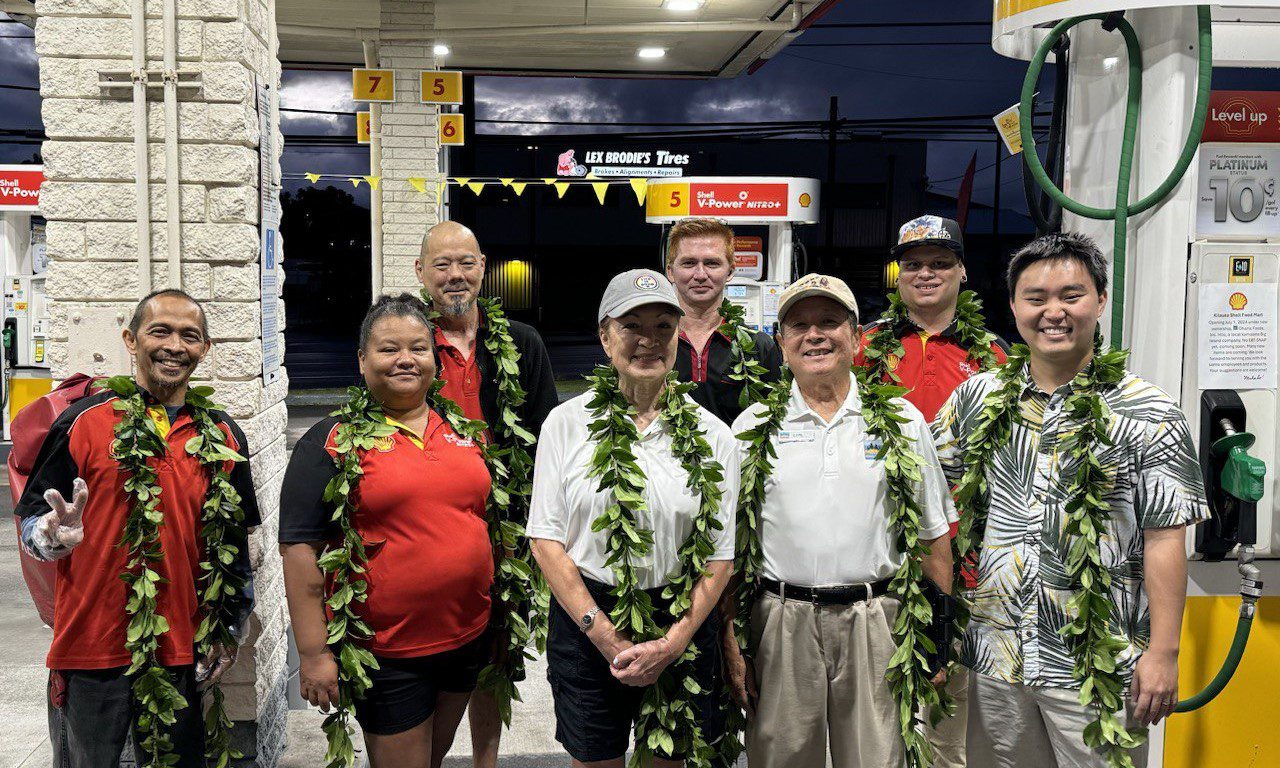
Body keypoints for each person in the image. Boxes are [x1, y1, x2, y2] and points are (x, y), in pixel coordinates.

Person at [933, 233, 1209, 768]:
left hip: (1097, 664)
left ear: (1100, 301)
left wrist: (1164, 654)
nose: (1053, 312)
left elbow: (1165, 538)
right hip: (997, 657)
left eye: (1071, 295)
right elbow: (927, 497)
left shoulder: (1148, 412)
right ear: (1013, 306)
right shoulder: (977, 398)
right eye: (1035, 298)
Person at [15, 289, 259, 768]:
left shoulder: (224, 436)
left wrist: (228, 626)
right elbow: (31, 522)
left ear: (204, 349)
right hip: (89, 644)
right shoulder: (83, 421)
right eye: (160, 331)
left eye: (190, 336)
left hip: (180, 647)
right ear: (130, 339)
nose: (175, 345)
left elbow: (234, 548)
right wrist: (48, 537)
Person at [725, 273, 957, 768]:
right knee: (780, 759)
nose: (815, 335)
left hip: (876, 622)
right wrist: (731, 639)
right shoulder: (751, 428)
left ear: (855, 337)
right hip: (781, 621)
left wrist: (937, 638)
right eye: (799, 325)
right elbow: (729, 547)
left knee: (876, 759)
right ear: (781, 341)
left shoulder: (898, 421)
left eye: (829, 322)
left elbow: (934, 536)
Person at [528, 269, 739, 767]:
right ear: (605, 336)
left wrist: (674, 641)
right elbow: (545, 539)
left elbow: (720, 553)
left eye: (664, 326)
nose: (649, 341)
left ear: (678, 338)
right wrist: (604, 635)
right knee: (595, 757)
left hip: (680, 615)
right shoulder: (566, 424)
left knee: (667, 761)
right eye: (632, 326)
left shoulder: (714, 436)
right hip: (587, 616)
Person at [279, 294, 495, 768]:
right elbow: (300, 553)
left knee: (432, 759)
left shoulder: (459, 429)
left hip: (465, 636)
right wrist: (314, 654)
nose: (405, 359)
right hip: (387, 650)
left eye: (418, 348)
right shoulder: (329, 442)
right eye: (388, 348)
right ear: (362, 359)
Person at [857, 215, 1009, 767]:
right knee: (874, 712)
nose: (926, 273)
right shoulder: (863, 347)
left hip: (960, 557)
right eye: (913, 263)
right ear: (896, 273)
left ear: (962, 272)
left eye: (940, 262)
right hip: (873, 552)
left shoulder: (995, 358)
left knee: (946, 710)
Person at [415, 220, 560, 767]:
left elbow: (546, 437)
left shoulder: (522, 343)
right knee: (432, 655)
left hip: (505, 531)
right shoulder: (407, 339)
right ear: (421, 272)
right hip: (428, 525)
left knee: (497, 655)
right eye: (443, 264)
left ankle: (486, 762)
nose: (456, 276)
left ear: (482, 268)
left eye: (466, 263)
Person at [666, 218, 783, 426]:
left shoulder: (760, 347)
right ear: (670, 271)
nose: (700, 274)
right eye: (689, 263)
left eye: (712, 263)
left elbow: (774, 421)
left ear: (730, 271)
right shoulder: (653, 344)